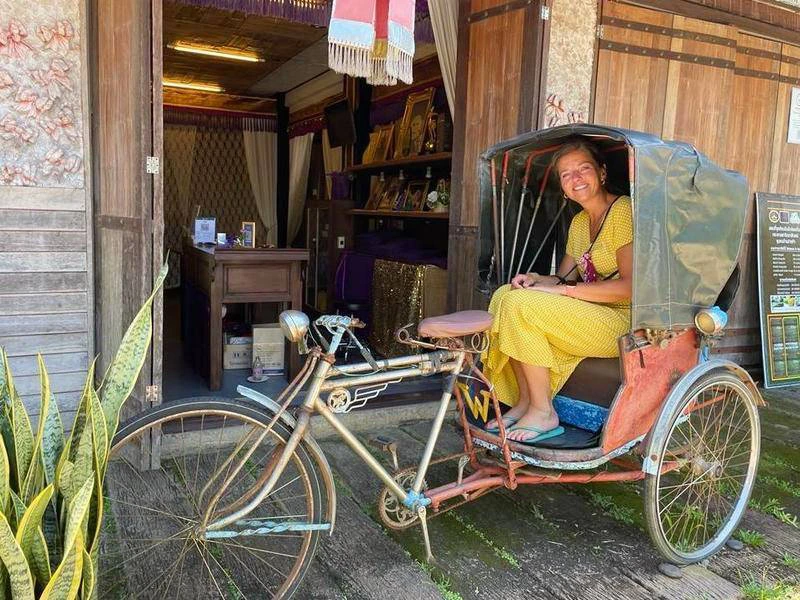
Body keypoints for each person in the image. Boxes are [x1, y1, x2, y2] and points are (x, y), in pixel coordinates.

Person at [483, 139, 633, 444]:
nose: (575, 179)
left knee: (521, 307)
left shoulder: (623, 212)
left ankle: (543, 411)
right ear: (562, 186)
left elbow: (628, 287)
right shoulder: (579, 222)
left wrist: (563, 293)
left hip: (624, 320)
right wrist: (536, 279)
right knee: (504, 296)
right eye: (566, 174)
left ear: (601, 173)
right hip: (592, 312)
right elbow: (564, 278)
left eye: (583, 169)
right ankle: (526, 401)